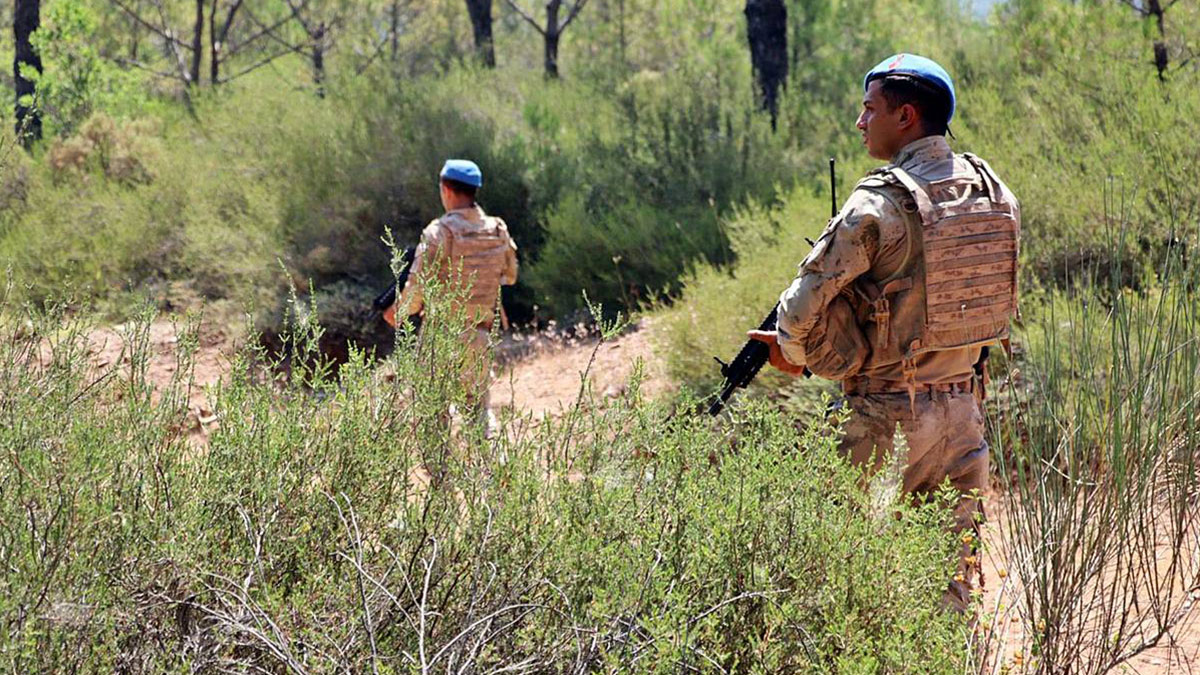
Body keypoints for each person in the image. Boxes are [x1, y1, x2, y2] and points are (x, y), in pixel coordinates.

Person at [749, 53, 1021, 611]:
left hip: (884, 416)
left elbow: (797, 312)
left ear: (906, 117)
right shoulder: (995, 194)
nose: (859, 121)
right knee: (949, 586)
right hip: (964, 414)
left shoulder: (878, 203)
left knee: (822, 569)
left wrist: (799, 357)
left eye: (869, 108)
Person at [384, 159, 519, 425]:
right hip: (480, 333)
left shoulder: (439, 231)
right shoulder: (497, 229)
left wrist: (397, 313)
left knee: (432, 416)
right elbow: (510, 276)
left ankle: (440, 468)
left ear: (445, 188)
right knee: (479, 411)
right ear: (474, 191)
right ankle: (493, 466)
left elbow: (418, 287)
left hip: (441, 337)